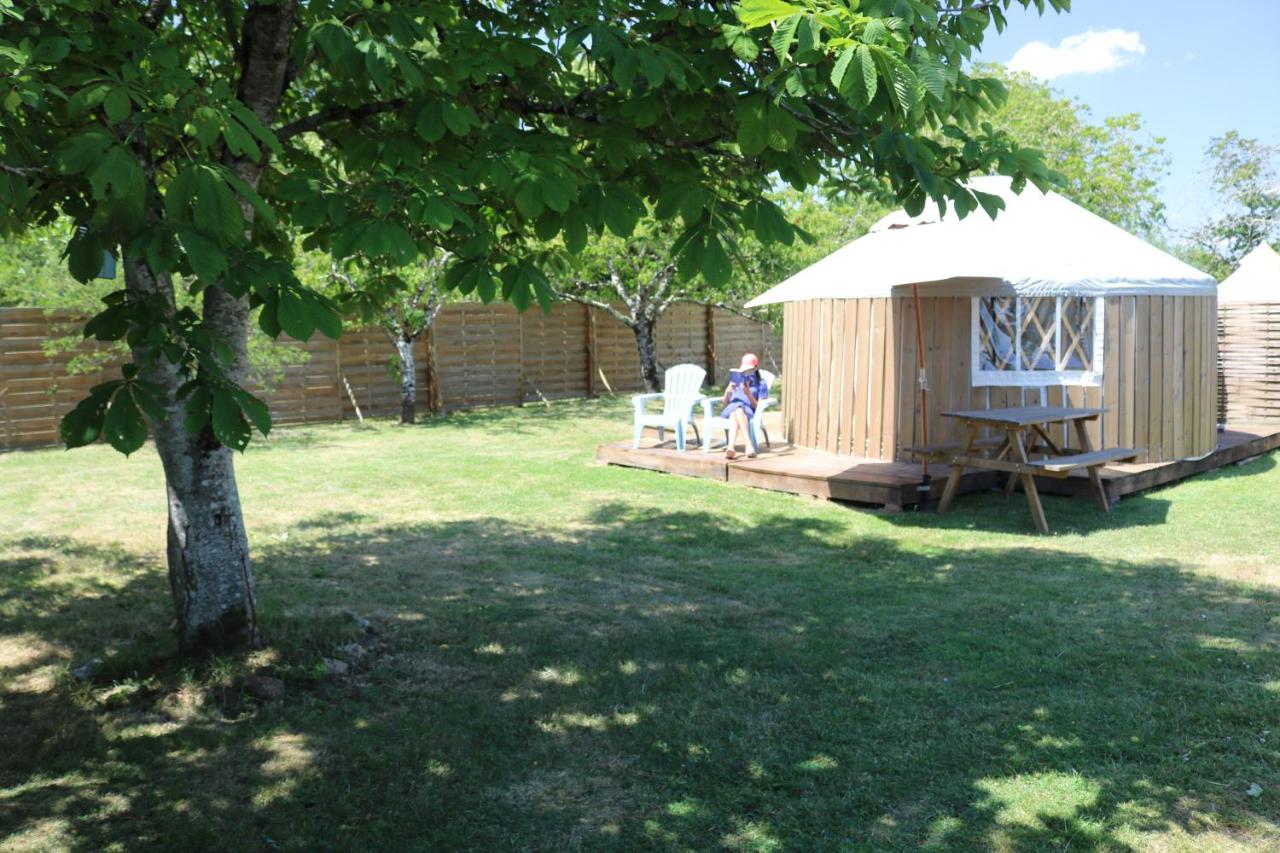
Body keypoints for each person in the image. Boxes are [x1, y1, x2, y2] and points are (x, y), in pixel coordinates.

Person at [720, 353, 768, 460]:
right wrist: (728, 392)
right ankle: (749, 445)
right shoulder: (735, 380)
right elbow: (724, 404)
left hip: (749, 410)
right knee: (737, 409)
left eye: (749, 370)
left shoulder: (761, 383)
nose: (747, 372)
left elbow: (758, 406)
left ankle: (731, 447)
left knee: (736, 412)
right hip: (731, 408)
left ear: (756, 367)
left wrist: (748, 393)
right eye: (745, 369)